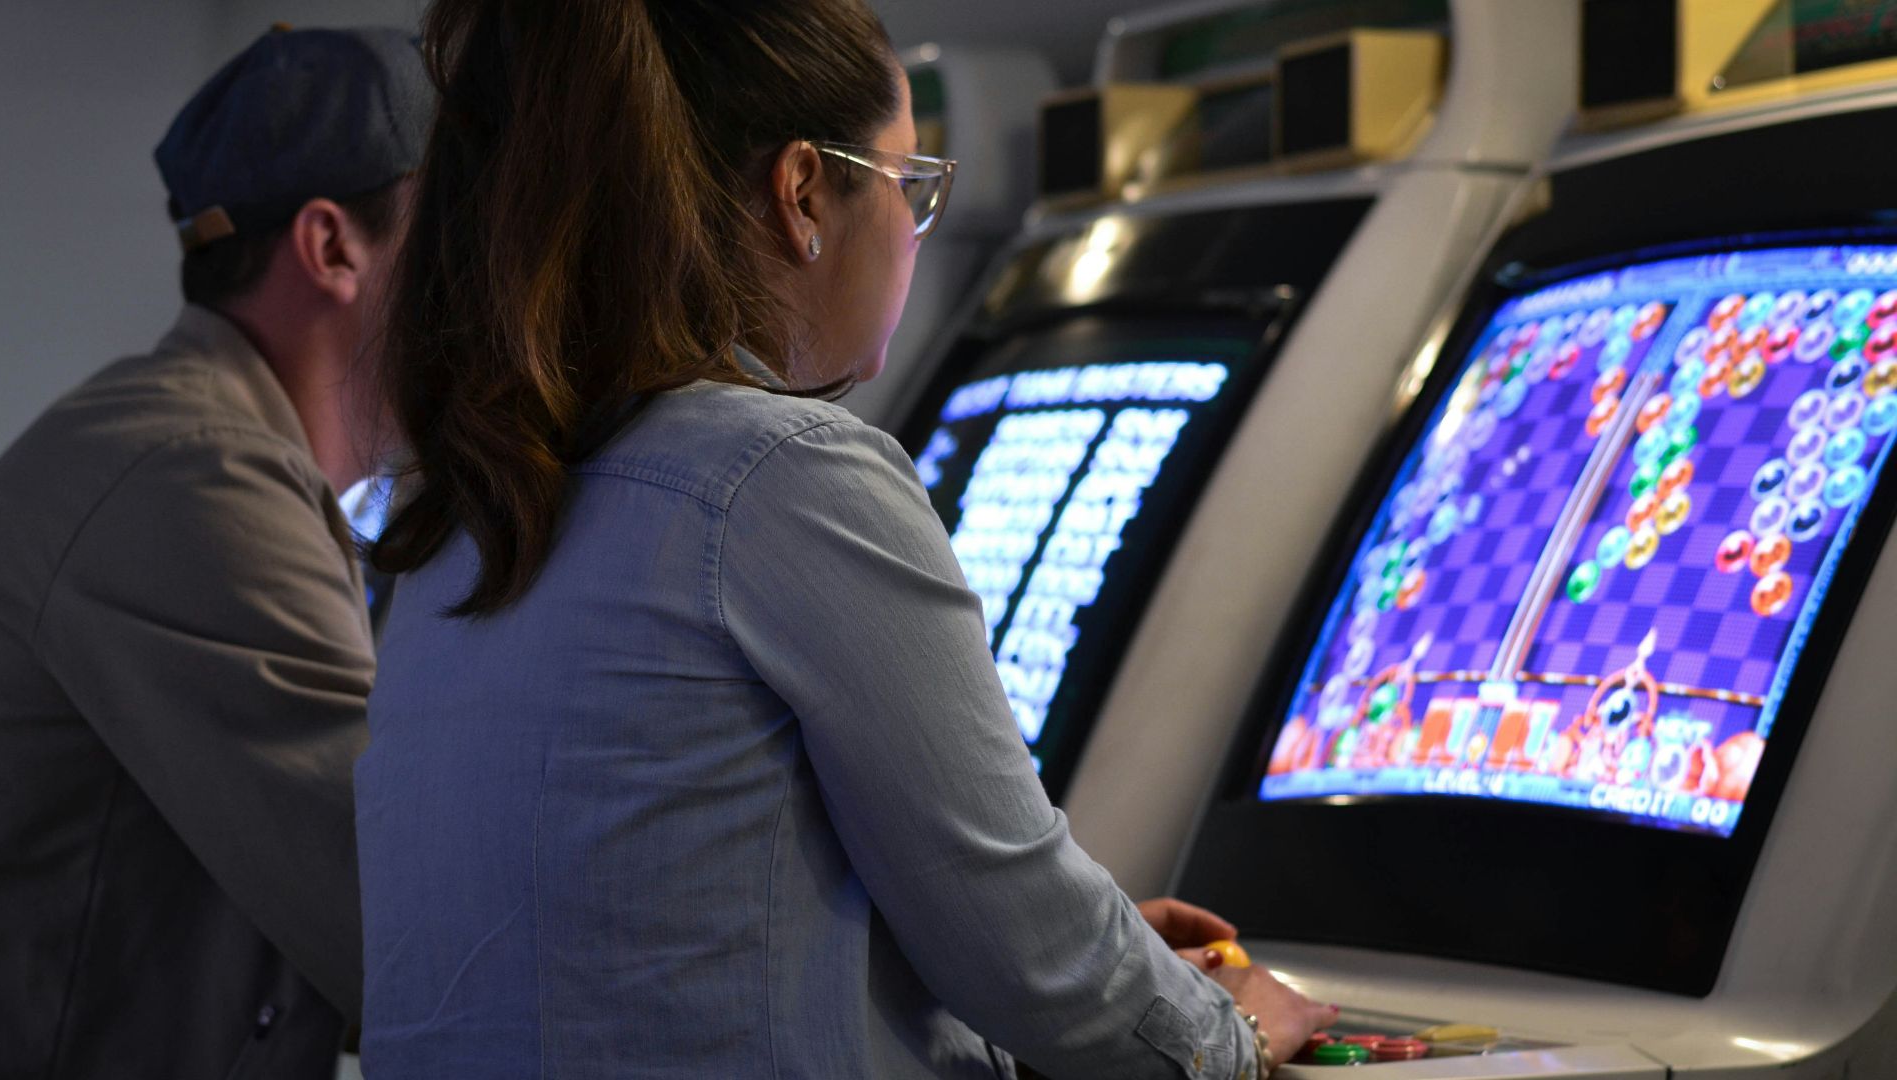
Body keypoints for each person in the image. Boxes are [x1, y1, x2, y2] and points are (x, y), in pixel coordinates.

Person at [354, 1, 1336, 1077]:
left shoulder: (459, 508)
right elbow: (1040, 961)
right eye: (912, 186)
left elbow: (670, 932)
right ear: (804, 194)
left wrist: (1027, 951)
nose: (913, 236)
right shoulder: (785, 474)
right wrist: (1225, 1029)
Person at [0, 27, 431, 1079]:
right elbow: (408, 932)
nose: (499, 287)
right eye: (457, 233)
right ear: (331, 248)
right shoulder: (198, 474)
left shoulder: (205, 448)